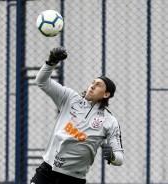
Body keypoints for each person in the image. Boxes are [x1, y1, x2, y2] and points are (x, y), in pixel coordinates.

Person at [30, 46, 124, 184]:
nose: (92, 86)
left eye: (98, 85)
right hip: (47, 171)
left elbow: (120, 158)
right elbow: (41, 82)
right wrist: (51, 62)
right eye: (92, 82)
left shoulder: (110, 121)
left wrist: (112, 156)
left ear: (106, 94)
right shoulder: (70, 98)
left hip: (74, 179)